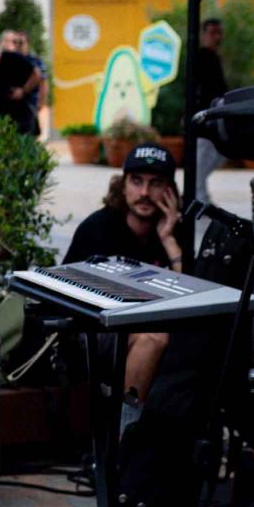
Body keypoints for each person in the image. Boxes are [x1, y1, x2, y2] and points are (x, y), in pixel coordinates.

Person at [65, 143, 183, 405]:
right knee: (153, 337)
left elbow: (193, 298)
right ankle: (124, 424)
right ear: (123, 185)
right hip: (91, 331)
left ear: (169, 191)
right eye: (136, 181)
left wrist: (169, 240)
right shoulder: (99, 227)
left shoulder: (173, 231)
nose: (144, 193)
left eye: (155, 184)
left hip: (144, 325)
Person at [185, 16, 228, 204]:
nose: (216, 37)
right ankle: (199, 198)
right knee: (201, 160)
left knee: (216, 155)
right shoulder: (202, 57)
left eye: (219, 32)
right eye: (212, 33)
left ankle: (199, 196)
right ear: (204, 34)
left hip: (214, 117)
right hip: (204, 117)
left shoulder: (213, 57)